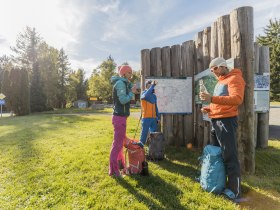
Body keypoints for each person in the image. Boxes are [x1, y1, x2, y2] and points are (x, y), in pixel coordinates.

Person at [200, 57, 245, 200]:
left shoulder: (234, 79)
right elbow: (220, 102)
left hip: (226, 122)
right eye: (211, 70)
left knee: (229, 155)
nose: (213, 72)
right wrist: (208, 108)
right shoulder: (221, 81)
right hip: (216, 120)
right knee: (216, 153)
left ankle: (235, 190)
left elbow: (237, 99)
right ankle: (215, 181)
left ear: (223, 66)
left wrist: (211, 99)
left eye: (215, 68)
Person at [109, 65, 137, 177]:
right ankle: (114, 171)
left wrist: (131, 87)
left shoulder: (124, 83)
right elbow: (123, 100)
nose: (131, 75)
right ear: (124, 73)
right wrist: (132, 93)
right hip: (119, 117)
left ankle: (121, 166)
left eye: (131, 72)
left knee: (120, 143)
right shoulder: (120, 83)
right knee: (117, 145)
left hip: (121, 117)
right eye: (129, 72)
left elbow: (129, 87)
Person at [135, 80, 160, 148]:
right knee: (144, 132)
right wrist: (152, 86)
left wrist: (158, 117)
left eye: (151, 87)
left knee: (154, 134)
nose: (151, 88)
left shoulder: (154, 96)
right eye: (149, 87)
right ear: (146, 87)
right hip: (146, 117)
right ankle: (140, 146)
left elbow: (156, 107)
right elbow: (146, 96)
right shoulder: (143, 93)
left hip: (154, 118)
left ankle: (153, 148)